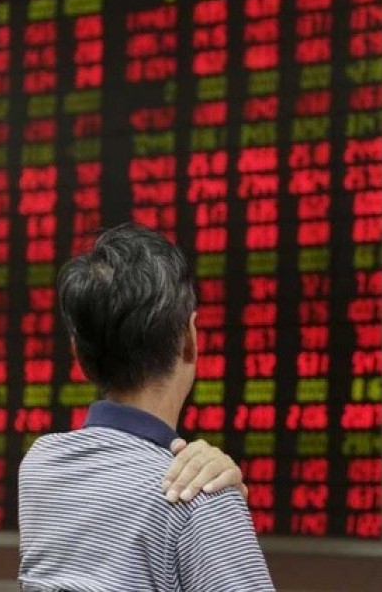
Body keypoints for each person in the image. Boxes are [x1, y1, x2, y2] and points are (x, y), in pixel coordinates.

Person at [18, 223, 275, 591]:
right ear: (189, 339)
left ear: (78, 355)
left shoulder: (40, 466)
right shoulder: (198, 493)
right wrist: (222, 509)